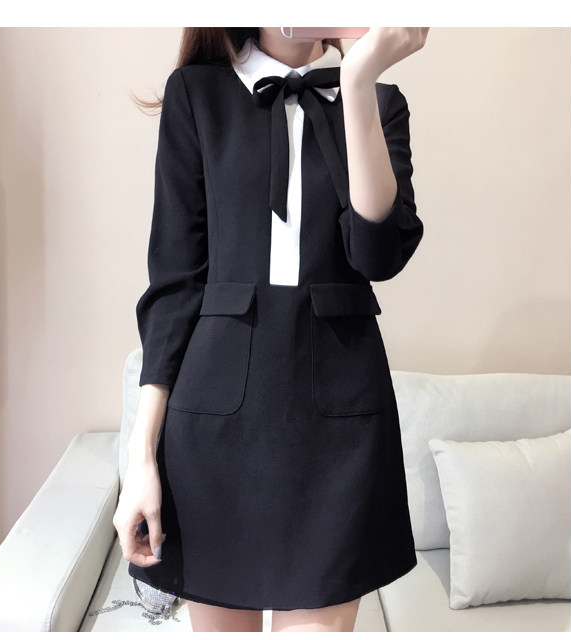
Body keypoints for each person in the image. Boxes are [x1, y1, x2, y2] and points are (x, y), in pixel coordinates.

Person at [114, 27, 429, 632]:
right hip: (213, 428)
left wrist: (358, 81)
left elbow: (378, 254)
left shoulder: (379, 100)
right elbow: (174, 286)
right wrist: (142, 456)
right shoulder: (196, 94)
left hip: (339, 426)